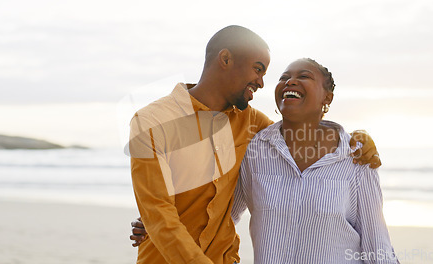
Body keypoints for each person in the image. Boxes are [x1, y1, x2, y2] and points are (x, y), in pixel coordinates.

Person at [127, 26, 381, 264]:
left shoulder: (253, 124)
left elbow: (301, 130)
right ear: (225, 59)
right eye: (258, 69)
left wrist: (357, 138)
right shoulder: (151, 122)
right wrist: (151, 221)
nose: (261, 82)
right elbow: (159, 213)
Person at [230, 58, 398, 263]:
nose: (290, 82)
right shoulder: (255, 150)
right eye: (284, 78)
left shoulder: (356, 157)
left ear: (327, 97)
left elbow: (377, 247)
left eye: (304, 76)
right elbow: (225, 218)